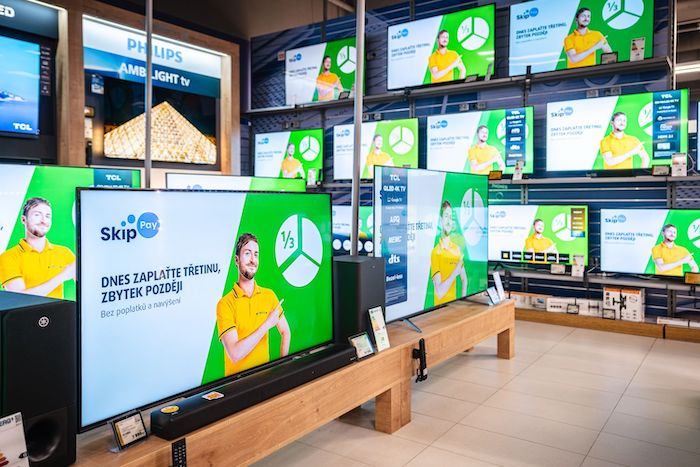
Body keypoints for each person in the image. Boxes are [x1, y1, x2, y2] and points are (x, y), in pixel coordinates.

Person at [216, 233, 291, 376]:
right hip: (237, 385)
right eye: (247, 253)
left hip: (266, 380)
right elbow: (235, 354)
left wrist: (283, 367)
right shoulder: (225, 304)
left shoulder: (269, 296)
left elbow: (285, 332)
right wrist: (267, 324)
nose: (252, 260)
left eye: (256, 254)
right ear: (236, 260)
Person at [0, 197, 75, 299]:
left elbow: (86, 285)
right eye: (37, 215)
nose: (43, 221)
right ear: (23, 220)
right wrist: (62, 276)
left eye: (47, 216)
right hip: (27, 310)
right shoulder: (7, 257)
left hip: (60, 310)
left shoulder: (64, 253)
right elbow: (20, 299)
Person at [430, 200, 468, 305]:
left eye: (451, 217)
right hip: (439, 311)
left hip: (454, 308)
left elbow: (464, 280)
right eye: (446, 216)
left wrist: (464, 302)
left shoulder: (456, 249)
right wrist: (455, 272)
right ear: (440, 220)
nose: (449, 221)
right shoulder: (436, 252)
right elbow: (439, 293)